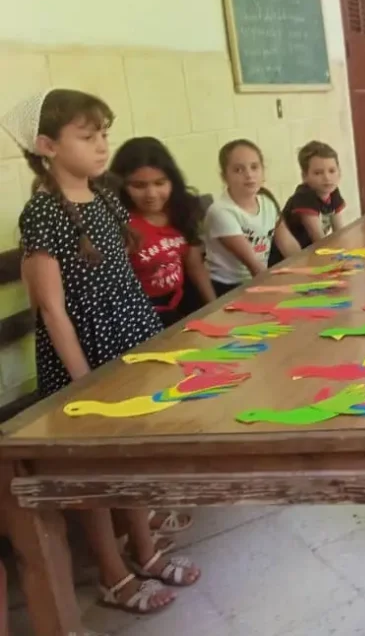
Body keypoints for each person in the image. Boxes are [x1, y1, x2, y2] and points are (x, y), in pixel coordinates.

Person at [1, 89, 201, 614]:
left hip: (129, 343)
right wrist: (84, 380)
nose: (100, 146)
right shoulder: (43, 213)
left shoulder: (108, 195)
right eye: (87, 137)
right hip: (83, 357)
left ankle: (146, 551)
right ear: (47, 145)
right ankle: (112, 575)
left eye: (103, 134)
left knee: (131, 458)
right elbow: (50, 308)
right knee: (93, 470)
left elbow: (124, 278)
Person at [109, 137, 217, 325]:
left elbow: (195, 265)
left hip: (182, 305)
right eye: (139, 186)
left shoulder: (181, 210)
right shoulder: (118, 223)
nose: (151, 194)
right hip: (139, 316)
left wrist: (215, 306)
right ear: (121, 185)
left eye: (159, 183)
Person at [204, 139, 300, 295]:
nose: (249, 175)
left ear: (263, 171)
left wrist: (306, 274)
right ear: (224, 176)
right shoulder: (221, 212)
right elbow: (253, 265)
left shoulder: (267, 202)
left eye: (254, 167)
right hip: (228, 287)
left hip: (257, 278)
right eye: (238, 170)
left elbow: (289, 246)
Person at [268, 140, 346, 266]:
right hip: (286, 260)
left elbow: (340, 231)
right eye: (318, 173)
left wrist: (346, 252)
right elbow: (318, 238)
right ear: (305, 176)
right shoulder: (304, 196)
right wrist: (338, 258)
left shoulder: (333, 192)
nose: (327, 177)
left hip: (311, 254)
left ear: (339, 172)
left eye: (332, 171)